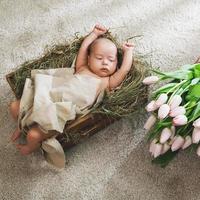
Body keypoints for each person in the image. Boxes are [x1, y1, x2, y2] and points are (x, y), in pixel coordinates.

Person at [9, 24, 134, 155]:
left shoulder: (108, 82)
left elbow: (124, 69)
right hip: (48, 97)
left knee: (33, 136)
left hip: (60, 111)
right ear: (89, 60)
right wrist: (94, 34)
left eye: (111, 60)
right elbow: (83, 49)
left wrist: (128, 52)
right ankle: (22, 124)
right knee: (14, 107)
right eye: (99, 58)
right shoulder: (82, 68)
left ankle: (30, 147)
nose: (105, 62)